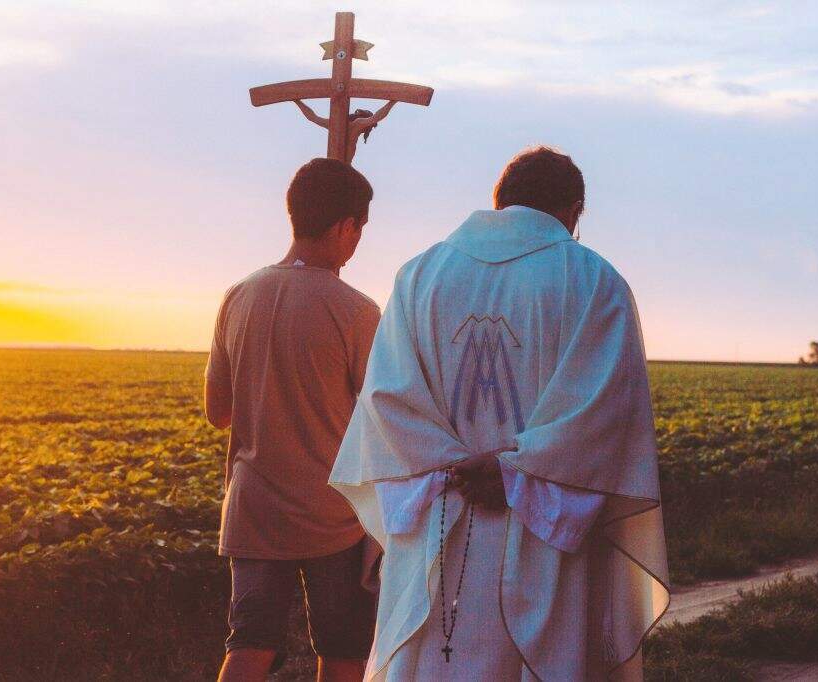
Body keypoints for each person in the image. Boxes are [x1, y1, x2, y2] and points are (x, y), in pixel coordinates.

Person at [330, 146, 670, 680]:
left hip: (438, 517)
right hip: (544, 530)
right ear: (573, 211)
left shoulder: (419, 276)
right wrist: (515, 468)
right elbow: (603, 411)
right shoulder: (594, 281)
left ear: (499, 201)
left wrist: (454, 465)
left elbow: (386, 399)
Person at [205, 158, 381, 682]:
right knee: (343, 653)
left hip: (254, 511)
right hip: (334, 516)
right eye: (359, 230)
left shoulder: (238, 297)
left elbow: (218, 412)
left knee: (249, 646)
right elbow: (380, 419)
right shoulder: (357, 311)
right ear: (346, 226)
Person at [294, 99, 397, 162]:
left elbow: (313, 117)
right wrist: (393, 102)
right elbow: (375, 118)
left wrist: (297, 101)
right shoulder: (358, 124)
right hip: (343, 167)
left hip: (333, 164)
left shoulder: (335, 124)